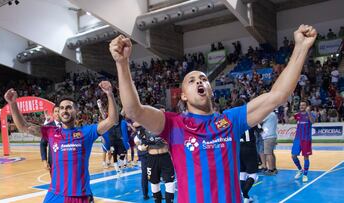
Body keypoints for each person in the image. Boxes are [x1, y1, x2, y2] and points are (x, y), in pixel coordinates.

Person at [110, 24, 317, 202]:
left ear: (210, 89)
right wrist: (122, 63)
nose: (199, 81)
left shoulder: (231, 120)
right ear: (183, 96)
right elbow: (132, 110)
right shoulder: (174, 125)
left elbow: (278, 95)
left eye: (203, 79)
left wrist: (301, 48)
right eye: (191, 81)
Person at [4, 81, 118, 203]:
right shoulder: (51, 132)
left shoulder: (87, 132)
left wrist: (109, 94)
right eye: (62, 108)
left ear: (76, 110)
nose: (65, 111)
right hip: (55, 195)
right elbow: (24, 127)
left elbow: (112, 120)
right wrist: (12, 103)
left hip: (80, 196)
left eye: (69, 107)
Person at [135, 106, 175, 203]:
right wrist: (141, 147)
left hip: (165, 157)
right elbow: (136, 140)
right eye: (161, 112)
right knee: (154, 182)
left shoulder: (169, 125)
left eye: (164, 112)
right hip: (152, 158)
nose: (163, 115)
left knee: (170, 183)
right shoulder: (145, 126)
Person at [234, 99, 260, 203]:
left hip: (238, 148)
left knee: (242, 173)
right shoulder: (251, 117)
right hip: (250, 148)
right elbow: (261, 131)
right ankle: (245, 195)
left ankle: (245, 197)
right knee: (253, 175)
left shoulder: (233, 119)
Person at [291, 101, 315, 182]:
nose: (301, 106)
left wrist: (308, 112)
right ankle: (300, 170)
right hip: (297, 139)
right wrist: (284, 112)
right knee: (293, 155)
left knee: (306, 157)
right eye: (301, 105)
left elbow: (312, 122)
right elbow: (288, 121)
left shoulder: (311, 114)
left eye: (303, 105)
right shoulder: (298, 115)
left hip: (306, 139)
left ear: (307, 106)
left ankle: (305, 174)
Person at [40, 106, 61, 175]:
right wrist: (44, 160)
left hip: (67, 162)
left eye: (59, 111)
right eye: (56, 111)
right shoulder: (48, 127)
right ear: (53, 114)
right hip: (53, 162)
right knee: (56, 184)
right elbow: (43, 144)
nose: (58, 113)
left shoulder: (67, 125)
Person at [261, 111, 278, 175]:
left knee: (268, 154)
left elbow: (259, 121)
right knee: (271, 153)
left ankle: (271, 170)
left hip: (268, 136)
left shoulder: (268, 114)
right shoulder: (273, 114)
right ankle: (274, 168)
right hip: (272, 135)